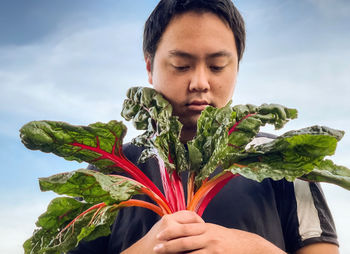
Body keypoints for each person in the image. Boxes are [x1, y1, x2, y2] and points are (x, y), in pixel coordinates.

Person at [69, 0, 339, 253]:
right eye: (181, 65)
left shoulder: (287, 162)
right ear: (150, 67)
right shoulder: (110, 171)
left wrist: (251, 247)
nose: (200, 82)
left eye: (217, 66)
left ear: (236, 68)